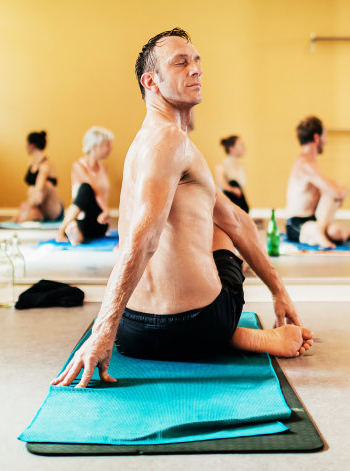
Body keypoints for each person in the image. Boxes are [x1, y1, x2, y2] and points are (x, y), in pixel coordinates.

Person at [52, 28, 313, 389]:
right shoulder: (172, 140)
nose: (196, 69)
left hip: (135, 333)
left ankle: (229, 336)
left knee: (211, 213)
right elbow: (153, 239)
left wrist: (113, 329)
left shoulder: (145, 141)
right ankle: (240, 337)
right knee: (219, 226)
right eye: (181, 62)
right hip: (200, 325)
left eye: (197, 61)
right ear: (151, 82)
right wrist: (100, 333)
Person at [285, 116, 350, 249]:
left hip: (312, 220)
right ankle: (320, 232)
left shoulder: (310, 162)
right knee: (335, 191)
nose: (327, 141)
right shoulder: (305, 164)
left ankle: (342, 234)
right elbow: (336, 194)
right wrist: (343, 191)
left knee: (336, 231)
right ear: (316, 137)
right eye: (325, 136)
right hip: (296, 224)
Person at [56, 126, 114, 244]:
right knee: (86, 188)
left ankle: (74, 231)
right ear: (95, 146)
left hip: (99, 221)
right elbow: (95, 188)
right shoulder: (78, 166)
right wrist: (106, 210)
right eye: (107, 145)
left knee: (87, 189)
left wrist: (104, 214)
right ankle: (65, 229)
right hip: (81, 218)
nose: (110, 148)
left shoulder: (103, 168)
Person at [12, 131, 64, 223]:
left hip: (52, 209)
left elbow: (41, 180)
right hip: (38, 207)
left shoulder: (47, 165)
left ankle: (30, 206)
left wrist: (30, 202)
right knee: (18, 218)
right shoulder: (31, 164)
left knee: (46, 185)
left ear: (31, 145)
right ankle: (30, 207)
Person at [215, 135, 250, 213]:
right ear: (231, 148)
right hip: (227, 208)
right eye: (241, 144)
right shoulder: (221, 166)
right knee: (233, 183)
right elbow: (221, 185)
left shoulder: (242, 168)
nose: (244, 147)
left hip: (240, 208)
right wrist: (233, 190)